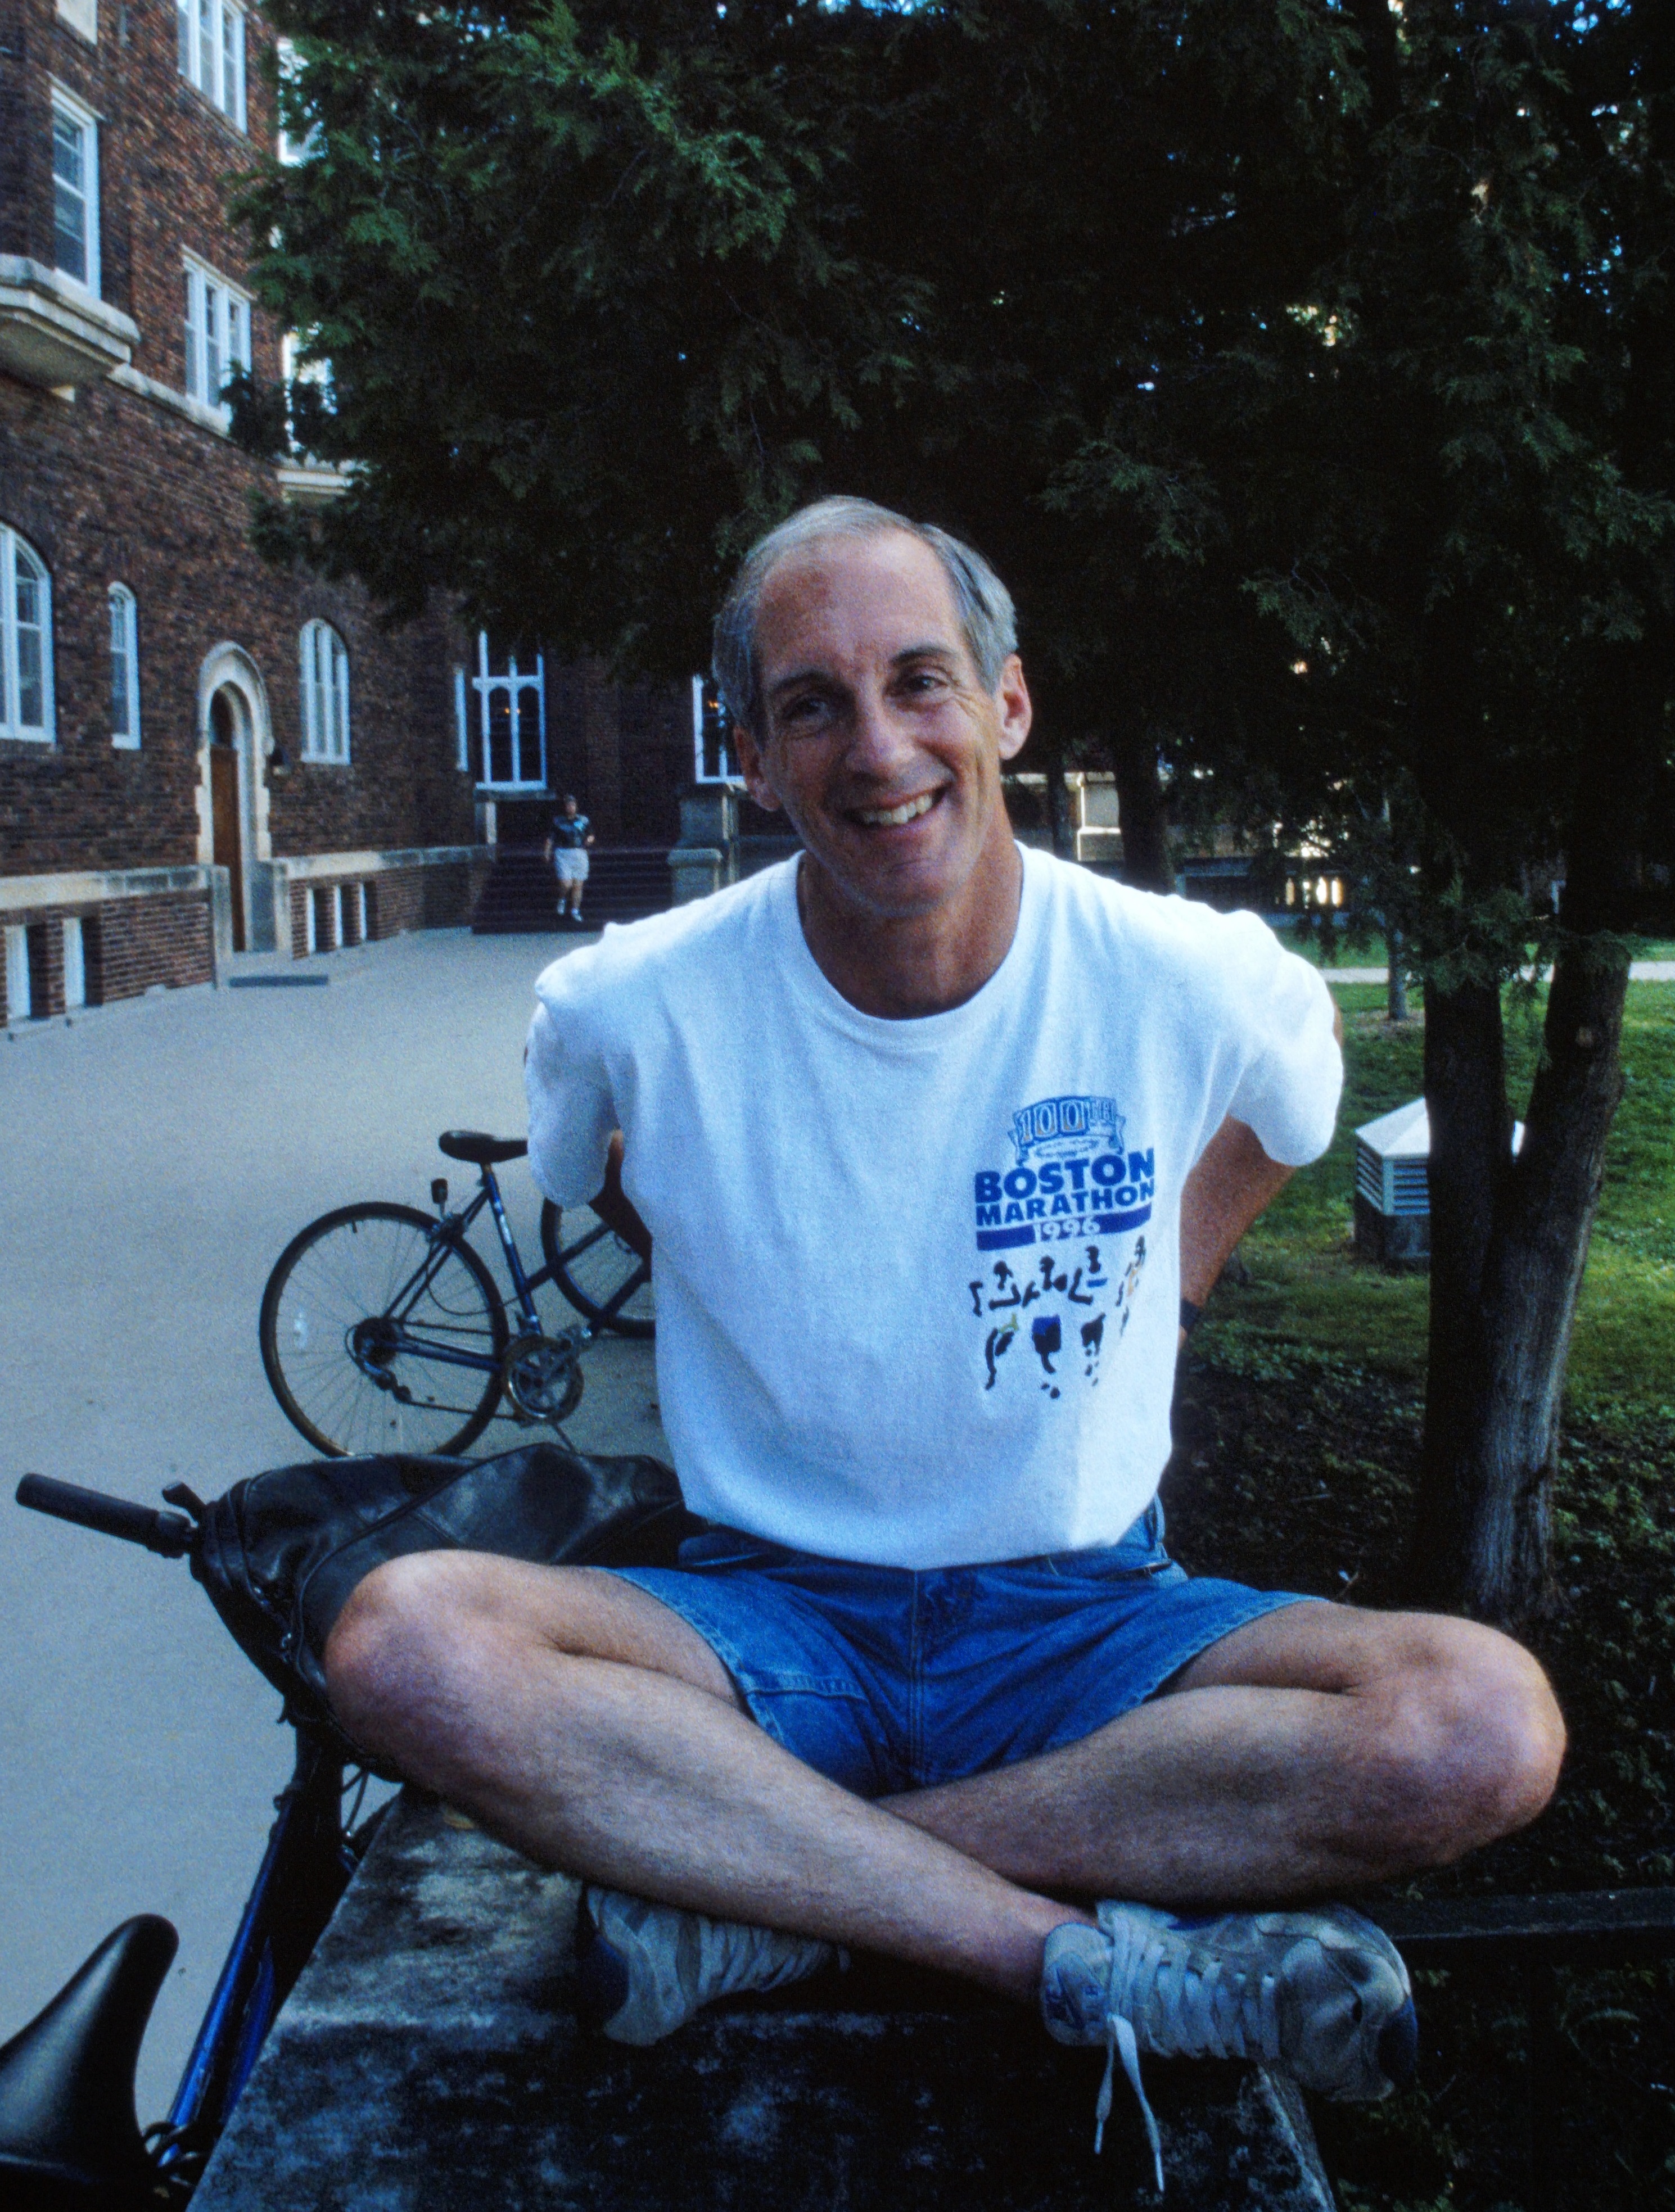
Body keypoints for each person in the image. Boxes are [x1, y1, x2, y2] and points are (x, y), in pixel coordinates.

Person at [325, 498, 1565, 2175]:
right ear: (752, 756)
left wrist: (1166, 1277)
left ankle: (775, 1895)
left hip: (1088, 1627)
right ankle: (1057, 1954)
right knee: (401, 1642)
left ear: (1007, 705)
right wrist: (749, 1263)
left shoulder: (1178, 974)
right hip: (767, 1625)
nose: (877, 746)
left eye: (920, 681)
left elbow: (1291, 1103)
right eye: (811, 704)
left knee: (1481, 1724)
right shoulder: (631, 1003)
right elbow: (592, 1169)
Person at [545, 793, 594, 924]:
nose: (571, 807)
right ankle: (562, 898)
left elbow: (591, 835)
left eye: (573, 805)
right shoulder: (558, 821)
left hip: (579, 852)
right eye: (568, 805)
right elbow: (550, 838)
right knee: (566, 884)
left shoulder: (583, 820)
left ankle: (575, 910)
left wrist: (589, 840)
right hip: (564, 853)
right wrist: (547, 852)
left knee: (578, 884)